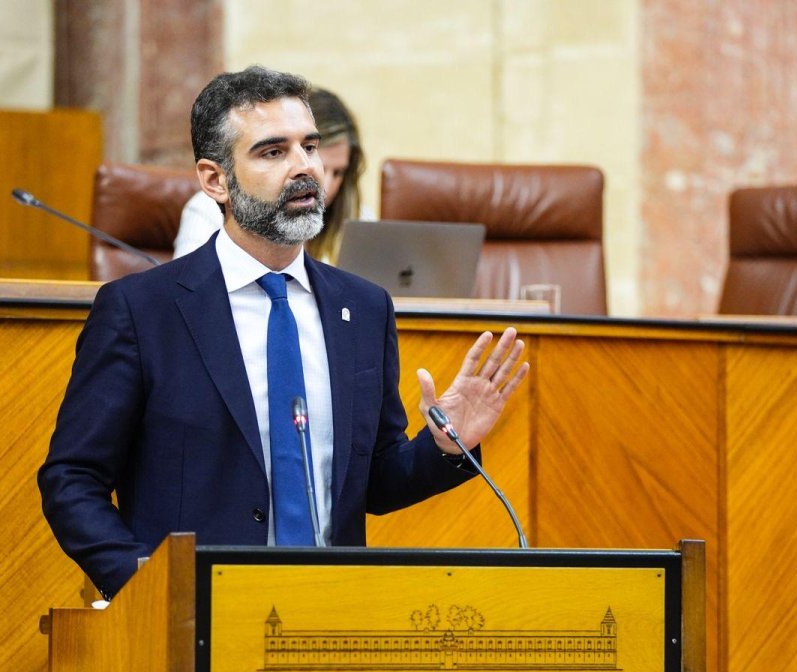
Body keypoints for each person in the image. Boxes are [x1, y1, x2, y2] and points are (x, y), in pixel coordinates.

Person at [39, 65, 529, 599]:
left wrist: (445, 445)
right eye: (273, 152)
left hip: (328, 613)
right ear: (214, 180)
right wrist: (150, 586)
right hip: (191, 618)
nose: (305, 169)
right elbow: (72, 480)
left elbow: (376, 482)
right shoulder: (141, 310)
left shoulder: (363, 307)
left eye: (310, 147)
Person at [172, 87, 363, 263]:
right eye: (274, 153)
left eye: (338, 173)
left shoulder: (357, 218)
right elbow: (186, 289)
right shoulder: (208, 209)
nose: (326, 186)